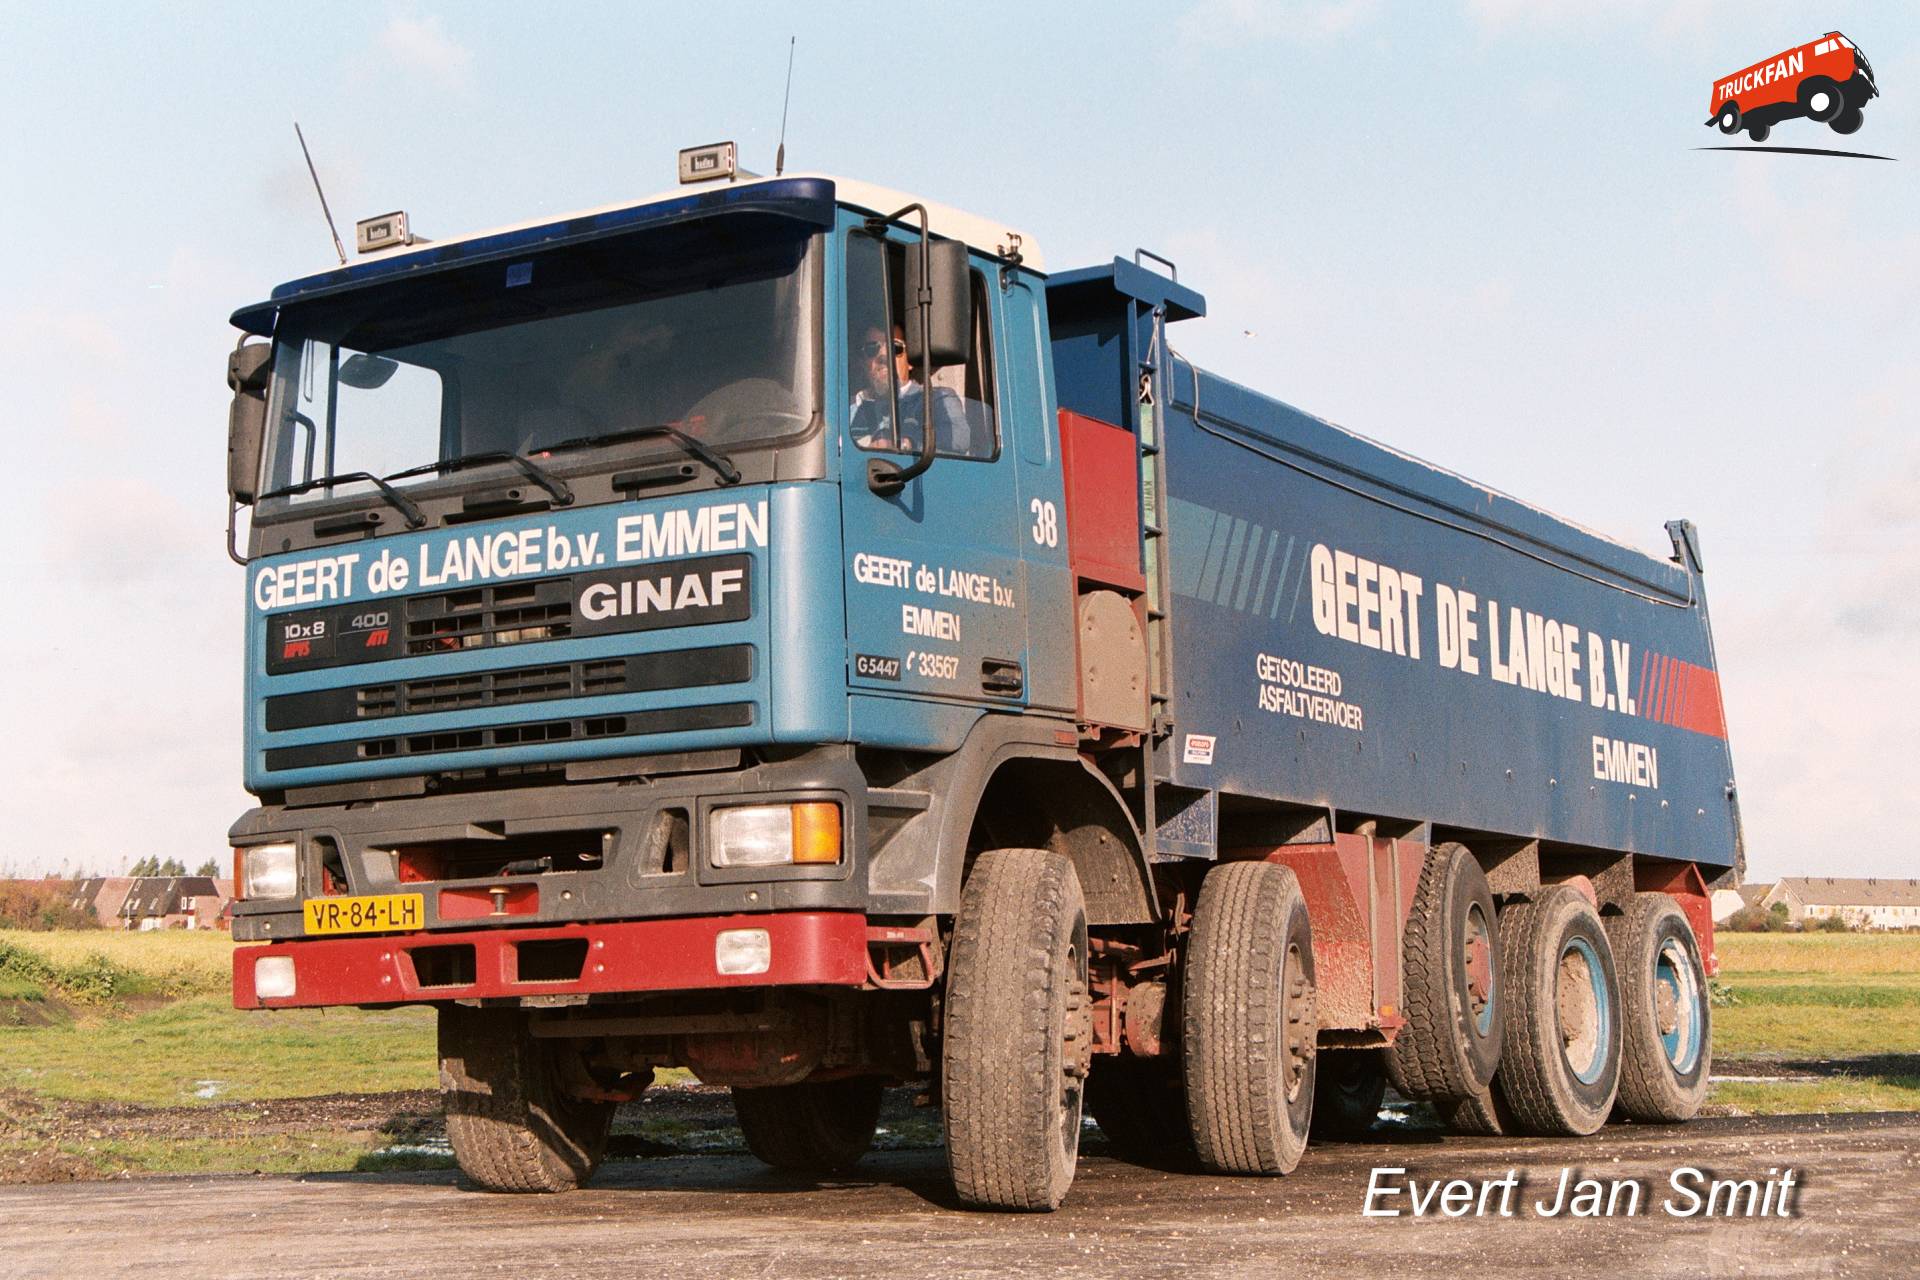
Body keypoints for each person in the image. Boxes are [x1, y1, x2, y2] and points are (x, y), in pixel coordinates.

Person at [850, 322, 972, 456]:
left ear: (909, 361)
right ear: (862, 362)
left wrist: (905, 443)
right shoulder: (845, 408)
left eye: (895, 348)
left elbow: (958, 437)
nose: (884, 357)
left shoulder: (936, 399)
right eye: (872, 349)